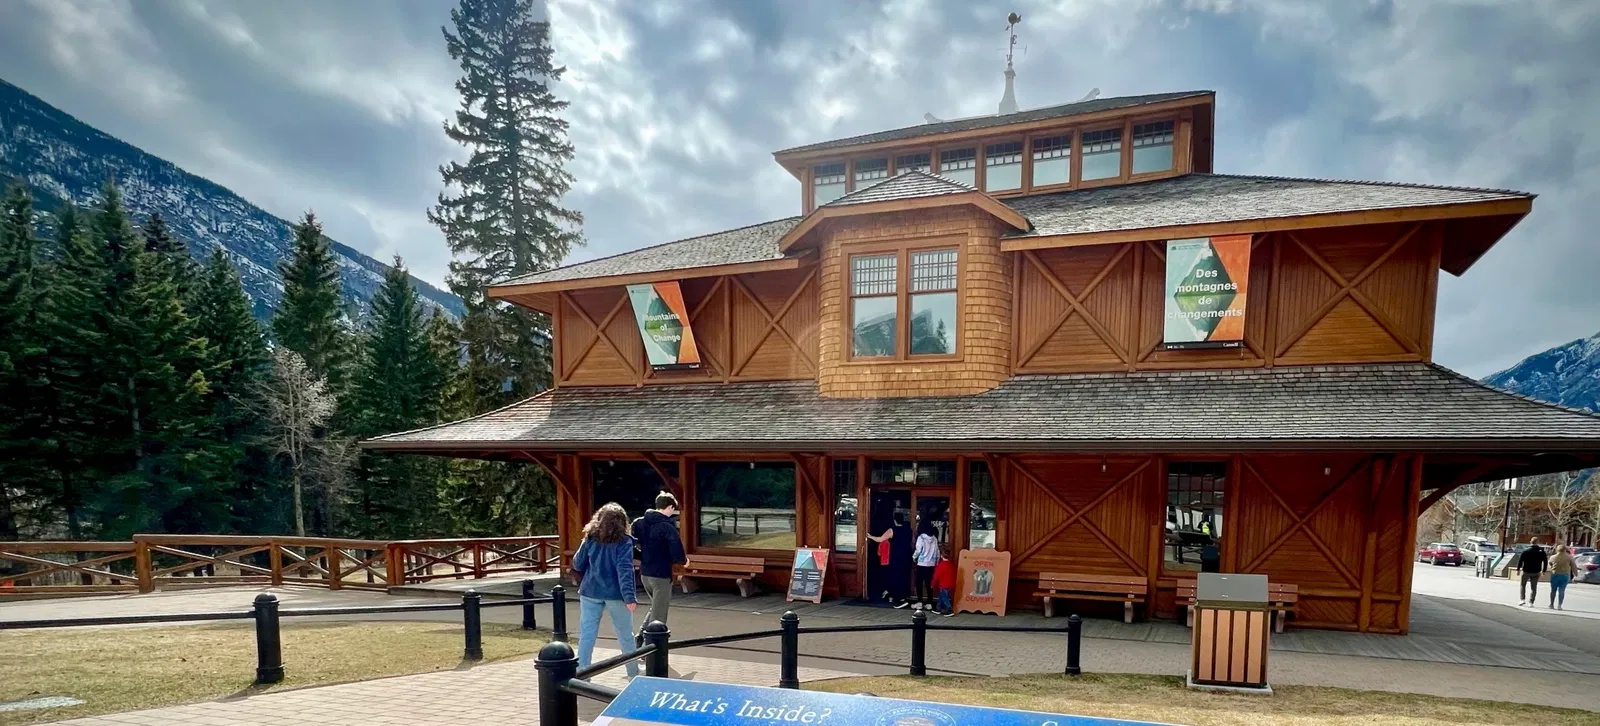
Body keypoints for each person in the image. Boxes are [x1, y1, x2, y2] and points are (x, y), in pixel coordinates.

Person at [570, 503, 639, 678]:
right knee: (625, 635)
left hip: (590, 591)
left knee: (587, 634)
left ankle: (583, 673)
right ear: (623, 522)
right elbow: (624, 570)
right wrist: (629, 597)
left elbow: (577, 563)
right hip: (616, 594)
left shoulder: (590, 537)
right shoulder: (624, 542)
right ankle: (633, 672)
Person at [631, 491, 686, 641]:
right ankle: (651, 649)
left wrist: (641, 556)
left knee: (656, 607)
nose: (672, 513)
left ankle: (641, 637)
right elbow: (676, 548)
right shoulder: (667, 527)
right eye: (672, 510)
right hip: (661, 574)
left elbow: (630, 545)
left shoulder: (638, 523)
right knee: (659, 614)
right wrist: (683, 561)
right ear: (668, 507)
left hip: (645, 573)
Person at [912, 521, 939, 610]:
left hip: (921, 563)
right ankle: (930, 602)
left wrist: (914, 557)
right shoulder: (934, 538)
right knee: (929, 584)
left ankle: (919, 601)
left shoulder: (921, 538)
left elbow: (918, 550)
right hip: (931, 564)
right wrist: (936, 561)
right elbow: (937, 551)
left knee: (919, 583)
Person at [1517, 538, 1548, 607]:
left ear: (1530, 542)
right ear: (1538, 542)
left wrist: (1518, 569)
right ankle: (1531, 602)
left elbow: (1520, 560)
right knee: (1534, 587)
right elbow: (1545, 561)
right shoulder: (1541, 551)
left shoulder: (1525, 551)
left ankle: (1522, 599)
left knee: (1523, 585)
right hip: (1536, 571)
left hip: (1526, 571)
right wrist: (1544, 570)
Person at [932, 544, 956, 617]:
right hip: (950, 584)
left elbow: (936, 576)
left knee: (944, 598)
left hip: (943, 585)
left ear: (941, 555)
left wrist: (933, 584)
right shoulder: (951, 565)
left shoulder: (940, 565)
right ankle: (938, 608)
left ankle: (949, 609)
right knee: (942, 596)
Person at [1549, 543, 1575, 610]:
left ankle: (1551, 604)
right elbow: (1573, 566)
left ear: (1557, 550)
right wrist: (1575, 574)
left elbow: (1550, 564)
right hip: (1565, 575)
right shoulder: (1569, 557)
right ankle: (1559, 605)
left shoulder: (1553, 557)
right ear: (1565, 550)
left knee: (1553, 590)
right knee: (1562, 590)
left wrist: (1552, 568)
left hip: (1555, 574)